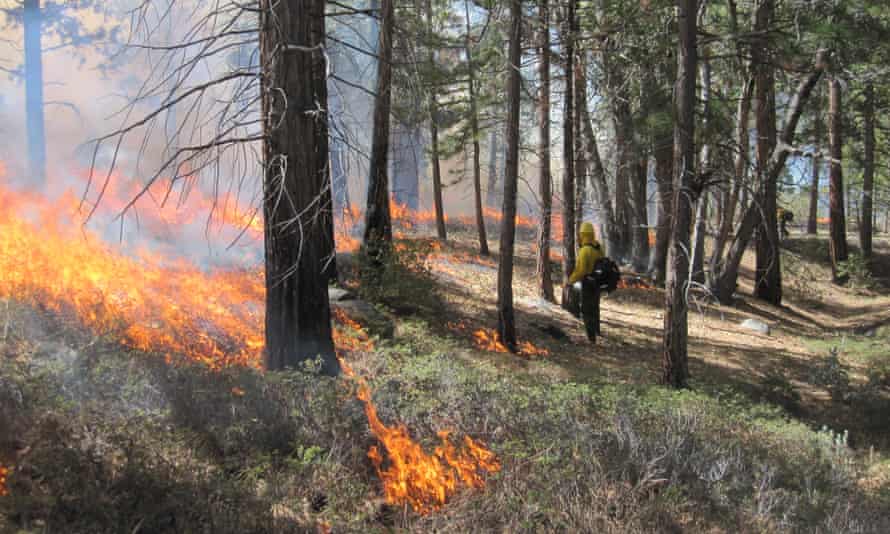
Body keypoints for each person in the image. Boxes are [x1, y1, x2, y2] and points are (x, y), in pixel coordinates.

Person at [569, 222, 605, 342]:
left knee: (586, 310)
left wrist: (571, 280)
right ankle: (597, 331)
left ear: (583, 235)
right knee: (595, 308)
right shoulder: (599, 247)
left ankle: (591, 338)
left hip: (588, 284)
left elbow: (581, 270)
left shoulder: (585, 250)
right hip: (598, 283)